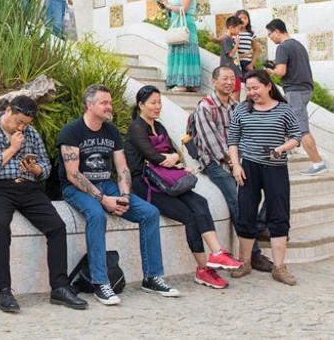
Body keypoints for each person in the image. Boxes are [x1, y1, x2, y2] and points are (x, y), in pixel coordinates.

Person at [58, 85, 179, 305]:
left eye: (110, 102)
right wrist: (103, 200)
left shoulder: (111, 131)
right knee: (97, 215)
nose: (109, 106)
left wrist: (123, 196)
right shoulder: (72, 131)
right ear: (90, 105)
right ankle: (100, 282)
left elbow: (122, 169)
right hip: (76, 188)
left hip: (108, 185)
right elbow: (73, 174)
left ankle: (152, 277)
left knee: (150, 213)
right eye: (104, 103)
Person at [0, 95, 87, 313]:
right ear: (8, 110)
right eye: (19, 122)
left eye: (26, 124)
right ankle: (4, 290)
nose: (22, 127)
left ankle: (60, 287)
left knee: (57, 227)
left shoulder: (31, 133)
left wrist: (35, 169)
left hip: (28, 189)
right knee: (0, 226)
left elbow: (45, 166)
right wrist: (13, 148)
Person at [125, 85, 243, 290]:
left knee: (200, 202)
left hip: (169, 179)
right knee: (189, 216)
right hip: (147, 185)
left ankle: (217, 253)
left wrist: (173, 160)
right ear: (141, 105)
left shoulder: (159, 126)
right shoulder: (137, 128)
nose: (158, 106)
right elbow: (153, 156)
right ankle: (203, 269)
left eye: (159, 102)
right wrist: (168, 158)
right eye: (153, 103)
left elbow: (174, 152)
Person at [192, 66, 274, 272]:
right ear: (214, 81)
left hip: (237, 160)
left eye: (232, 79)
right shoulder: (205, 107)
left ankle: (261, 225)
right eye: (225, 79)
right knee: (240, 201)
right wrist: (235, 164)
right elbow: (214, 145)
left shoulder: (237, 107)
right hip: (215, 163)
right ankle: (253, 255)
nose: (229, 82)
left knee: (273, 182)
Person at [227, 70, 302, 286]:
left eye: (255, 88)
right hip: (248, 167)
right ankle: (245, 262)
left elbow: (296, 136)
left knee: (279, 215)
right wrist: (236, 165)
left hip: (276, 168)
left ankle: (279, 267)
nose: (251, 93)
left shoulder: (284, 109)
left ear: (268, 86)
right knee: (246, 214)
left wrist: (280, 148)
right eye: (248, 89)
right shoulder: (241, 109)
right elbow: (233, 139)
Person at [265, 19, 326, 175]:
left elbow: (281, 72)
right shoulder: (298, 45)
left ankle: (318, 163)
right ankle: (286, 150)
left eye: (270, 33)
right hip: (305, 89)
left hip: (295, 91)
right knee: (288, 121)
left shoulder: (283, 47)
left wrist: (269, 71)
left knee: (302, 129)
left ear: (277, 31)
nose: (270, 37)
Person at [159, 0, 199, 92]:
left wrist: (168, 5)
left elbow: (184, 9)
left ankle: (183, 84)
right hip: (179, 25)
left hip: (186, 25)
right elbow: (176, 9)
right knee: (180, 53)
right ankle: (184, 83)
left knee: (184, 53)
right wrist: (166, 5)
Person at [220, 15, 243, 96]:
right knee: (235, 96)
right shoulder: (226, 39)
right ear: (231, 28)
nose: (239, 31)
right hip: (231, 72)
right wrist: (237, 44)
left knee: (236, 94)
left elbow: (234, 55)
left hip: (235, 71)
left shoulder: (231, 39)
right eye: (239, 29)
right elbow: (230, 54)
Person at [235, 9, 262, 77]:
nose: (243, 20)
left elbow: (257, 50)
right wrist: (240, 56)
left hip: (246, 63)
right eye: (240, 18)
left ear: (248, 20)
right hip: (235, 63)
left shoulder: (250, 34)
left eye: (245, 18)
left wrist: (252, 64)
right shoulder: (233, 33)